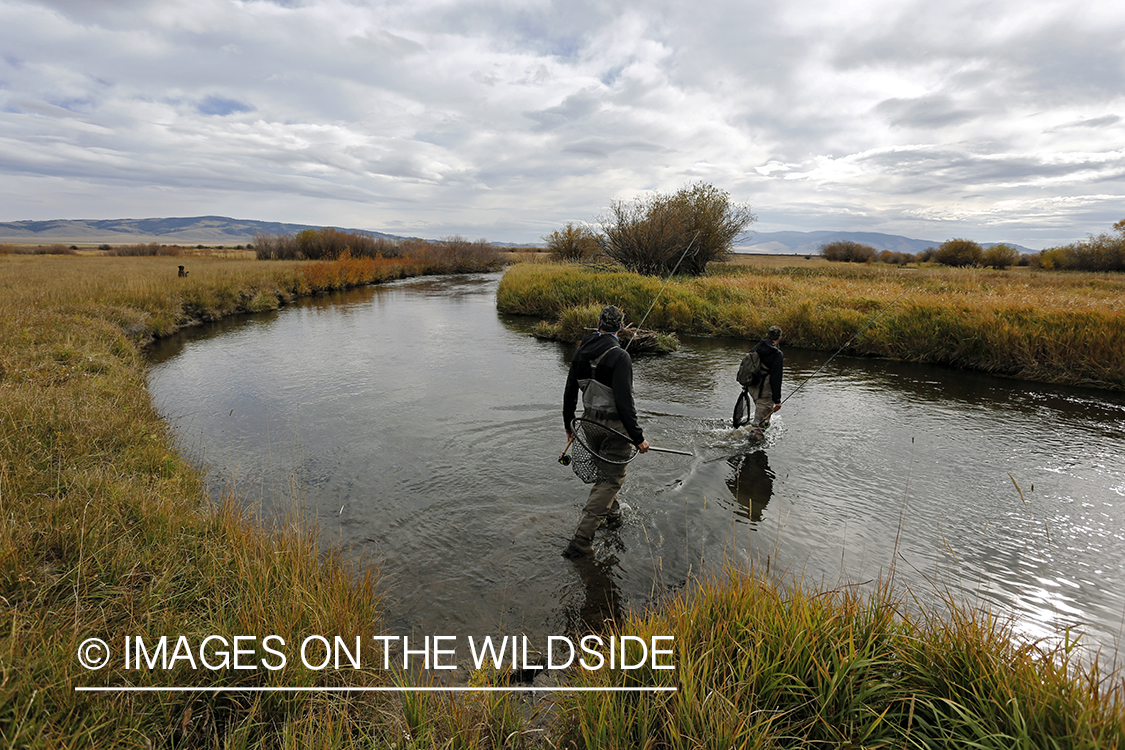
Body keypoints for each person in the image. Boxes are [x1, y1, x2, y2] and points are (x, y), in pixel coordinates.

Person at [561, 305, 650, 559]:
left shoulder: (580, 351)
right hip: (615, 430)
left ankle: (612, 515)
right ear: (621, 327)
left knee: (605, 470)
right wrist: (639, 438)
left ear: (598, 324)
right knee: (610, 480)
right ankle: (581, 540)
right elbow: (625, 404)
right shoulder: (620, 356)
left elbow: (569, 392)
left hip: (589, 425)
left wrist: (569, 425)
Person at [749, 325, 784, 439]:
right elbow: (776, 379)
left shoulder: (758, 346)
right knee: (758, 429)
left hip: (752, 387)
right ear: (779, 337)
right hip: (764, 392)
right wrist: (777, 400)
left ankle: (755, 423)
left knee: (759, 414)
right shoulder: (777, 354)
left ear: (767, 335)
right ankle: (752, 449)